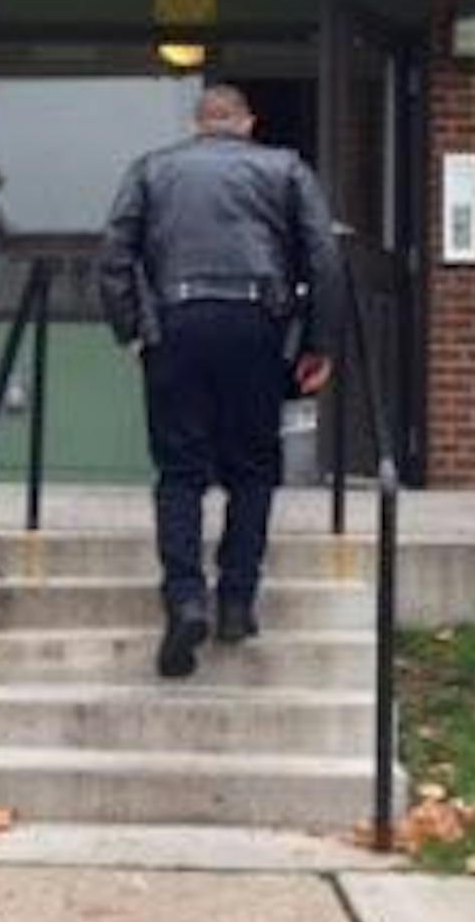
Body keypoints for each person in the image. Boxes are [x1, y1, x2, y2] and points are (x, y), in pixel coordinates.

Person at [96, 82, 341, 680]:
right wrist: (318, 342)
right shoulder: (286, 168)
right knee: (254, 469)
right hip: (256, 324)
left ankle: (184, 598)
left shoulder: (152, 170)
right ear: (247, 123)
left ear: (198, 123)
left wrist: (132, 329)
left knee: (179, 471)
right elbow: (323, 256)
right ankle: (236, 599)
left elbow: (114, 255)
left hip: (177, 323)